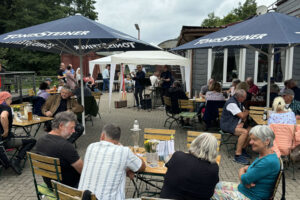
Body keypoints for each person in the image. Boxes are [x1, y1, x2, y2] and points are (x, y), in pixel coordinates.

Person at [78, 124, 146, 200]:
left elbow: (107, 164)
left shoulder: (91, 147)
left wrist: (125, 168)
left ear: (102, 136)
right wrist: (128, 167)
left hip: (81, 197)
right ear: (118, 140)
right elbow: (142, 166)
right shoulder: (124, 151)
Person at [213, 125, 280, 200]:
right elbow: (248, 174)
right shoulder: (267, 155)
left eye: (254, 139)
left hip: (251, 196)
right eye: (251, 139)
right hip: (245, 190)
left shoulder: (268, 161)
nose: (250, 142)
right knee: (213, 185)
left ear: (267, 141)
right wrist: (245, 178)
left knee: (209, 192)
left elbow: (245, 179)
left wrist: (241, 171)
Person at [160, 133, 219, 200]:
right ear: (213, 150)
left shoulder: (178, 156)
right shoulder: (213, 168)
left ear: (195, 143)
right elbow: (210, 193)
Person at [35, 111, 83, 188]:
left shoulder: (40, 140)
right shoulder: (65, 146)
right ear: (61, 126)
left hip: (50, 184)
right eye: (72, 128)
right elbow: (82, 171)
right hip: (68, 187)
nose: (74, 131)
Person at [0, 91, 36, 174]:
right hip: (5, 141)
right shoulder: (5, 107)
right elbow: (3, 116)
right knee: (32, 140)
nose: (11, 101)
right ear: (5, 99)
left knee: (14, 135)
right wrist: (6, 131)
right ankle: (17, 160)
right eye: (10, 99)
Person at [220, 89, 251, 165]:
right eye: (244, 97)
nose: (245, 99)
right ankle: (237, 155)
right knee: (244, 132)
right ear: (240, 97)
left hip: (235, 124)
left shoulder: (239, 102)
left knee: (252, 130)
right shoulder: (232, 103)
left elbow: (244, 116)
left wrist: (242, 122)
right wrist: (246, 112)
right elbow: (243, 114)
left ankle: (242, 149)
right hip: (227, 125)